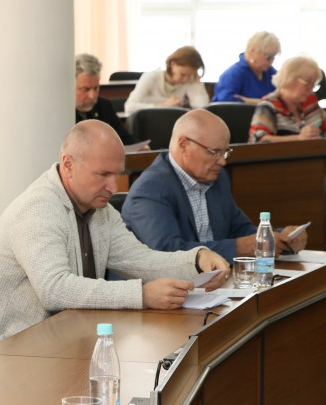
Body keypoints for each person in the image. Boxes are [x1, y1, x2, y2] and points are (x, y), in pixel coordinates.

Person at [0, 120, 229, 342]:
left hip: (60, 341)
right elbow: (54, 289)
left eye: (117, 174)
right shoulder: (38, 209)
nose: (113, 187)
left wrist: (196, 260)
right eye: (103, 174)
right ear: (68, 165)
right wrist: (141, 295)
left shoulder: (98, 208)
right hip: (6, 351)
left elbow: (140, 260)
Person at [122, 109, 308, 263]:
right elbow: (168, 253)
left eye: (225, 152)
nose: (222, 162)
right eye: (214, 152)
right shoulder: (151, 189)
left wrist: (280, 238)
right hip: (162, 290)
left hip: (213, 283)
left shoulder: (217, 177)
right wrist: (239, 248)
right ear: (183, 144)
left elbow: (239, 229)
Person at [249, 56, 326, 143]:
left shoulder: (310, 102)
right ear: (290, 79)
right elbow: (259, 140)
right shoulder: (269, 105)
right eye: (308, 83)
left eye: (314, 84)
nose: (311, 90)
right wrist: (298, 138)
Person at [74, 53, 144, 148]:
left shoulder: (104, 105)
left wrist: (140, 148)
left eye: (96, 88)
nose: (92, 96)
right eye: (85, 89)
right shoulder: (60, 113)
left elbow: (124, 138)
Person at [125, 46, 209, 115]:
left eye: (190, 75)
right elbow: (129, 107)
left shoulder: (188, 81)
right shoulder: (151, 77)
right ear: (172, 64)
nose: (186, 79)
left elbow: (202, 109)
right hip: (148, 122)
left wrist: (197, 82)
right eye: (183, 74)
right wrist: (163, 105)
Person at [211, 32, 281, 104]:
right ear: (253, 51)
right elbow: (224, 102)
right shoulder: (233, 74)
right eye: (268, 57)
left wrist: (245, 100)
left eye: (273, 58)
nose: (271, 62)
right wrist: (261, 102)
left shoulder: (270, 73)